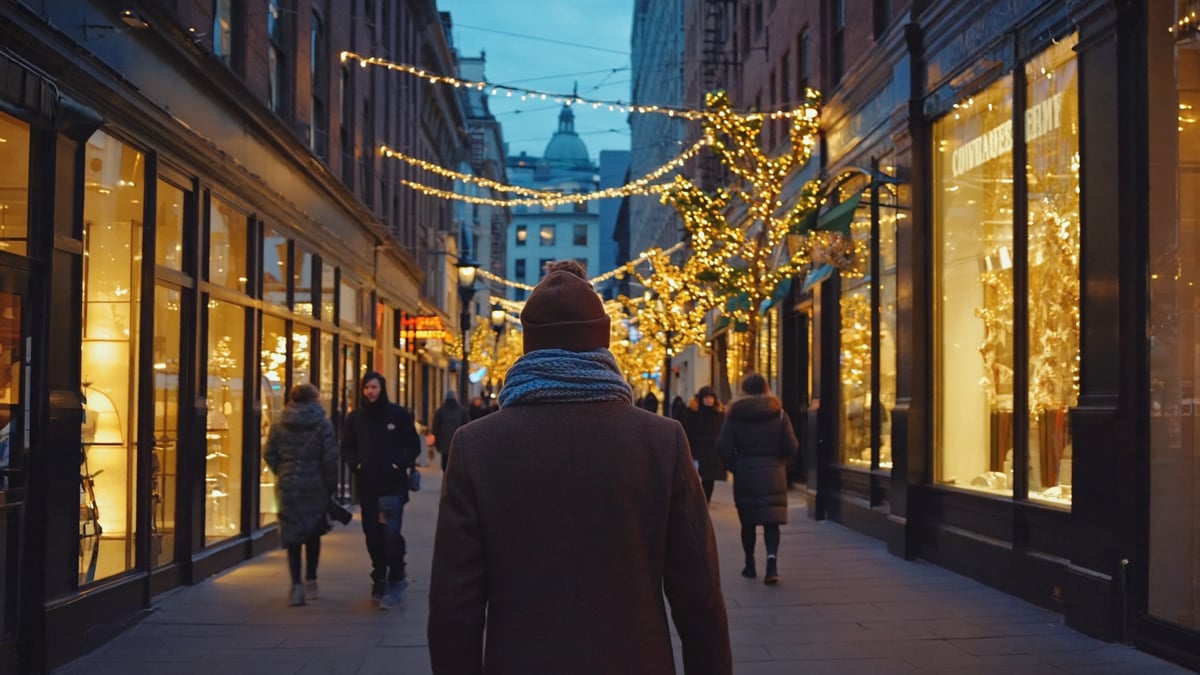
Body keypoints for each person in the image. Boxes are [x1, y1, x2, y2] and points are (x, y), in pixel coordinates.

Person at [428, 261, 732, 675]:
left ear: (529, 344)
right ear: (601, 341)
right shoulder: (662, 441)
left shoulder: (476, 446)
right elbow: (701, 598)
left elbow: (453, 606)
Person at [341, 371, 421, 610]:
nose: (370, 392)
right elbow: (347, 447)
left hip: (392, 485)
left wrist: (399, 463)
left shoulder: (398, 414)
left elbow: (412, 445)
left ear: (382, 388)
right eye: (367, 387)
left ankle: (395, 577)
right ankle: (379, 575)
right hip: (368, 486)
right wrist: (357, 465)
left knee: (391, 533)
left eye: (374, 387)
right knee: (373, 535)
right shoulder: (356, 418)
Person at [716, 373, 799, 586]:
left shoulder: (735, 414)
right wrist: (782, 464)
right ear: (766, 388)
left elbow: (723, 446)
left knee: (748, 521)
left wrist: (734, 466)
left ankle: (750, 563)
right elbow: (791, 446)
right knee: (772, 521)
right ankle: (772, 563)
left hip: (746, 472)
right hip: (773, 472)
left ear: (743, 390)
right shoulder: (779, 414)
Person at [264, 383, 338, 606]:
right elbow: (330, 458)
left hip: (288, 485)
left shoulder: (279, 425)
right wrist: (330, 485)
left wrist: (283, 471)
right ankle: (311, 580)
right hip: (314, 484)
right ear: (313, 400)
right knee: (313, 533)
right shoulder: (323, 425)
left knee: (292, 534)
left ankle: (296, 585)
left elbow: (269, 453)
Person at [681, 386, 727, 504]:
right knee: (694, 477)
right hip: (697, 450)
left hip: (712, 452)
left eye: (711, 398)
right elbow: (686, 430)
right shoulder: (692, 413)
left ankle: (705, 501)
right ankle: (696, 500)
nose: (709, 400)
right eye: (706, 398)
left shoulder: (719, 413)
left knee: (709, 478)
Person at [431, 391, 470, 472]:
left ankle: (446, 476)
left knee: (445, 462)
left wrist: (437, 440)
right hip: (457, 440)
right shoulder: (461, 410)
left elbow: (436, 426)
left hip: (444, 440)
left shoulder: (441, 410)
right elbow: (466, 425)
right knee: (456, 459)